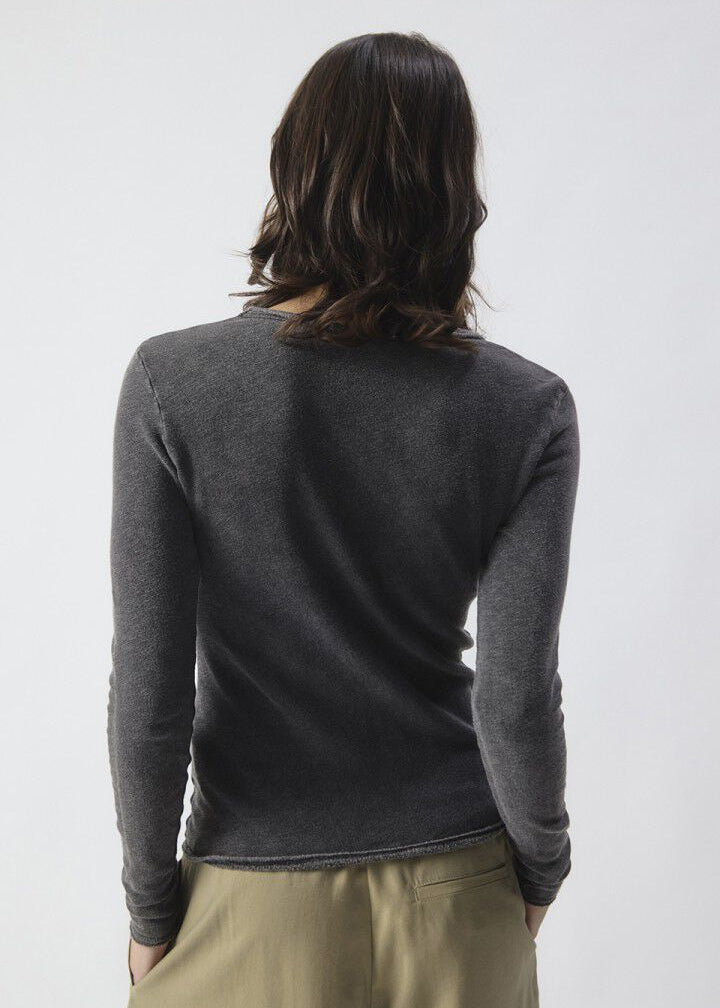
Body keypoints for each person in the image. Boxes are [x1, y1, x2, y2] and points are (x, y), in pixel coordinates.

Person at [108, 31, 580, 1008]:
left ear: (296, 167)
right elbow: (515, 701)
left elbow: (151, 698)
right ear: (453, 192)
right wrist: (538, 867)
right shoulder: (526, 408)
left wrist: (152, 910)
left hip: (248, 901)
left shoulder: (172, 384)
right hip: (459, 894)